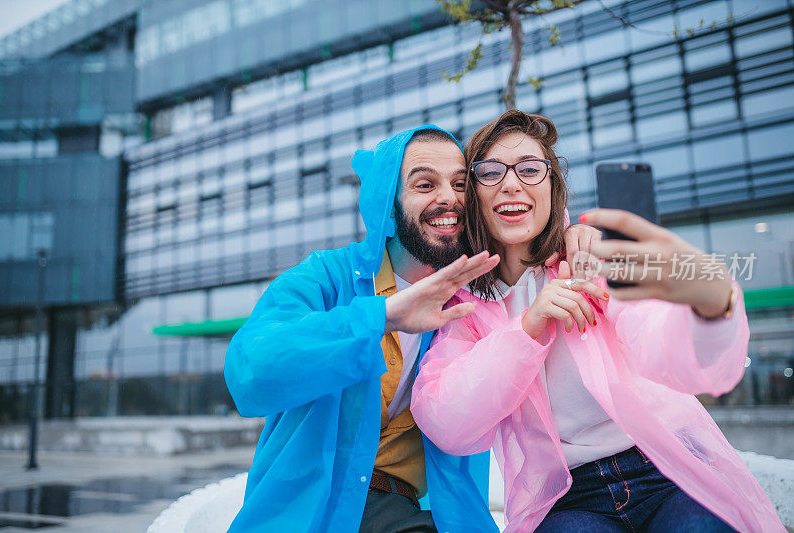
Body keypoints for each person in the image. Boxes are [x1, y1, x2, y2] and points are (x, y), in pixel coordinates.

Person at [411, 110, 785, 532]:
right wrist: (527, 328)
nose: (511, 183)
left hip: (664, 467)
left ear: (553, 189)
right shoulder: (467, 307)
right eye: (491, 172)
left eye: (530, 169)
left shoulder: (591, 260)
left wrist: (712, 308)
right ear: (474, 196)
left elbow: (666, 345)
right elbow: (446, 421)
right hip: (567, 497)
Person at [223, 124, 600, 532]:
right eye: (424, 184)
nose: (448, 198)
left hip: (413, 516)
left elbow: (526, 224)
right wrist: (383, 316)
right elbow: (250, 372)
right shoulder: (326, 278)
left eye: (460, 183)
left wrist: (570, 235)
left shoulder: (475, 301)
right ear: (389, 199)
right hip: (309, 514)